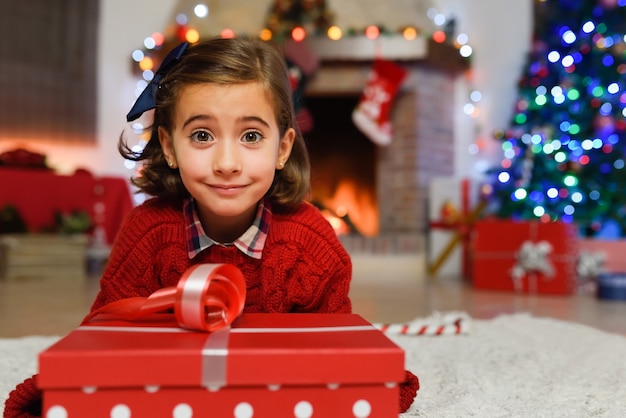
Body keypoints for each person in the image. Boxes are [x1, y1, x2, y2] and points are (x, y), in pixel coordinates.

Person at [3, 36, 418, 417]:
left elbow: (336, 355)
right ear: (168, 147)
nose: (226, 162)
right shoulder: (148, 232)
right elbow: (106, 335)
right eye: (202, 135)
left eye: (251, 136)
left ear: (282, 148)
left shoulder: (312, 244)